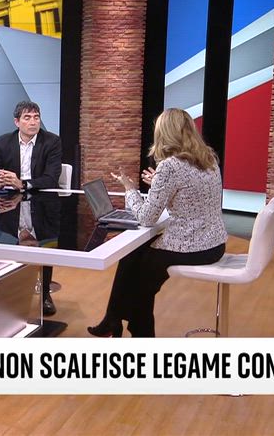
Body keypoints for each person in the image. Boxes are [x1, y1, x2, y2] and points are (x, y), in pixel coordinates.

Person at [88, 108, 228, 337]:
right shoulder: (208, 158)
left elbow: (146, 217)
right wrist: (159, 183)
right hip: (214, 244)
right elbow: (190, 190)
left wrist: (130, 189)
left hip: (191, 247)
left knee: (139, 285)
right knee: (131, 254)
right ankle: (112, 319)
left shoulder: (170, 166)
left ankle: (139, 335)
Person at [0, 100, 62, 315]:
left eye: (36, 117)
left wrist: (23, 184)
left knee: (44, 252)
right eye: (27, 118)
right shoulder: (4, 142)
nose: (33, 122)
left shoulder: (51, 141)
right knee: (6, 255)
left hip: (42, 203)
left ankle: (45, 295)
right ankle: (11, 294)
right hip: (12, 204)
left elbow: (51, 178)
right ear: (17, 122)